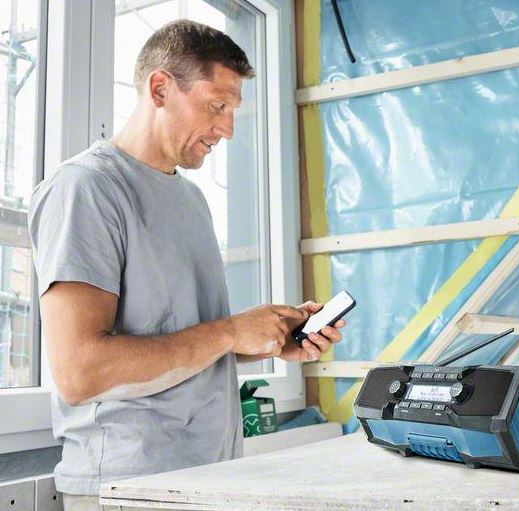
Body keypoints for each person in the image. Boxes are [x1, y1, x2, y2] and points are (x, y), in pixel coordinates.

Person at [28, 19, 343, 510]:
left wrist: (262, 338)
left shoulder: (192, 200)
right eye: (217, 106)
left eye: (233, 111)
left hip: (209, 477)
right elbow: (80, 371)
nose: (227, 129)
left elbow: (181, 339)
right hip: (130, 487)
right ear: (160, 89)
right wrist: (230, 332)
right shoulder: (86, 189)